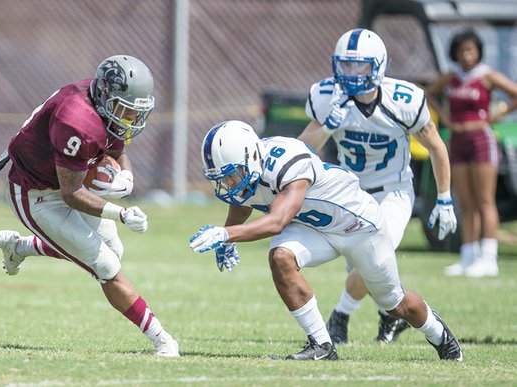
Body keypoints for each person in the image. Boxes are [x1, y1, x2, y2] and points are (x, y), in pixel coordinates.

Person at [189, 120, 462, 362]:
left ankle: (442, 337)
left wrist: (225, 234)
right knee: (281, 256)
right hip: (317, 228)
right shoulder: (251, 167)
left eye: (230, 175)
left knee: (395, 303)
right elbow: (244, 200)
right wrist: (229, 237)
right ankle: (321, 344)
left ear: (249, 157)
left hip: (359, 226)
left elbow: (277, 221)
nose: (227, 183)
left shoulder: (286, 161)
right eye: (222, 178)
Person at [0, 55, 179, 357]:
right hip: (34, 192)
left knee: (114, 252)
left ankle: (21, 248)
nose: (129, 118)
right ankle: (162, 339)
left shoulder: (102, 105)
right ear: (106, 96)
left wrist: (127, 177)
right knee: (106, 265)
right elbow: (71, 193)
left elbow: (117, 147)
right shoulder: (77, 119)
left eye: (135, 112)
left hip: (63, 181)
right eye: (124, 110)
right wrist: (121, 212)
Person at [297, 28, 457, 345]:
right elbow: (300, 150)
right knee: (362, 264)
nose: (353, 74)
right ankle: (387, 313)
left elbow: (437, 147)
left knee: (371, 253)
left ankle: (343, 316)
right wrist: (329, 125)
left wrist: (444, 199)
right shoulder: (328, 96)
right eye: (346, 65)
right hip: (349, 194)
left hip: (393, 190)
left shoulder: (403, 99)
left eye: (361, 66)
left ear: (379, 66)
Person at [427, 29, 517, 277]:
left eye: (471, 50)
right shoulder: (451, 77)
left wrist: (496, 116)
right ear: (455, 53)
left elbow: (515, 93)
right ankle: (468, 256)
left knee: (485, 200)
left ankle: (489, 257)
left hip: (481, 140)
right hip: (457, 141)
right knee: (465, 202)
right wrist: (445, 118)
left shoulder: (487, 76)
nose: (466, 55)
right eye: (461, 50)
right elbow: (429, 94)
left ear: (478, 51)